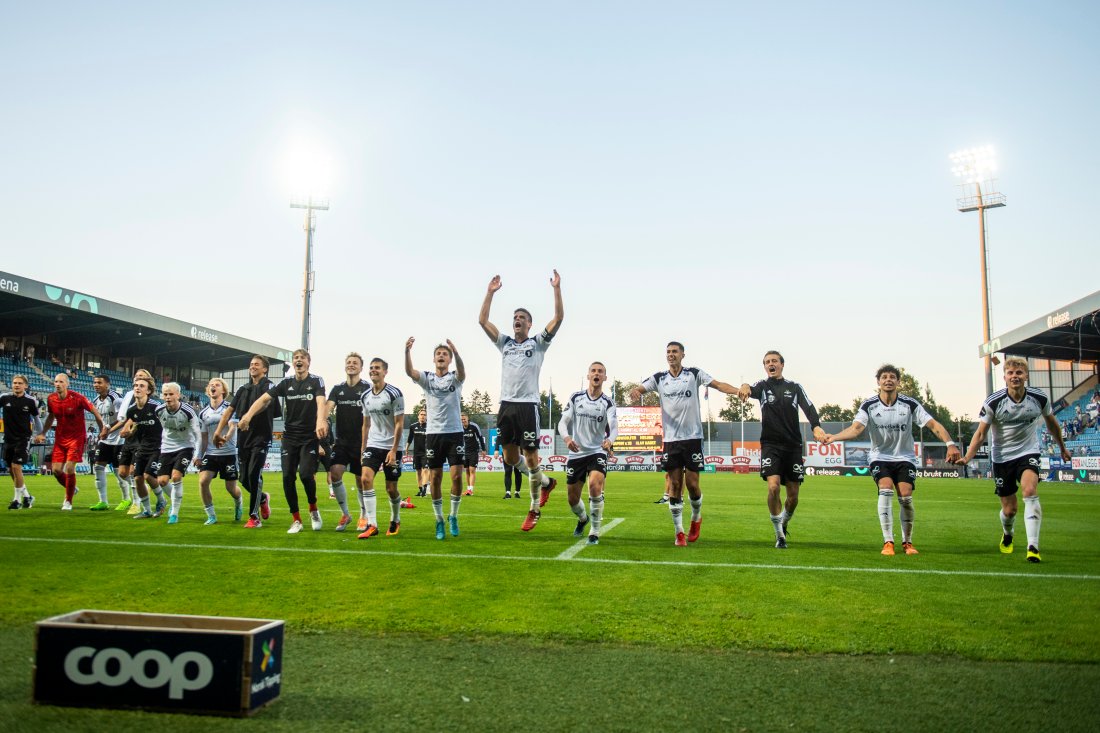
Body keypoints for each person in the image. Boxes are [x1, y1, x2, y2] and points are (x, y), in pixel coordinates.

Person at [823, 364, 961, 555]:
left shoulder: (909, 404)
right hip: (880, 456)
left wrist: (950, 443)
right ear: (878, 382)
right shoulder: (869, 405)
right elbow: (856, 428)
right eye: (884, 377)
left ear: (898, 381)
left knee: (905, 495)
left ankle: (908, 542)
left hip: (905, 457)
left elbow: (932, 424)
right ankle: (888, 541)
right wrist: (833, 437)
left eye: (892, 377)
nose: (888, 380)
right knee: (885, 488)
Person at [957, 358, 1070, 563]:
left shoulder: (1039, 398)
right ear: (1005, 378)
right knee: (1010, 510)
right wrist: (967, 457)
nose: (1015, 376)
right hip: (1002, 457)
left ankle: (1033, 546)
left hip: (1028, 452)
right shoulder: (994, 401)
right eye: (1011, 373)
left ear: (1026, 376)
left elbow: (1052, 425)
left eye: (1019, 372)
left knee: (1029, 490)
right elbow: (981, 433)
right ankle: (1008, 533)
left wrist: (1062, 448)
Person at [630, 342, 740, 545]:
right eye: (668, 352)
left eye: (675, 352)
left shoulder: (693, 374)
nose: (671, 355)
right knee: (675, 484)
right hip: (671, 440)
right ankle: (679, 532)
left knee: (692, 485)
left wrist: (737, 391)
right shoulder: (659, 378)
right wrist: (636, 391)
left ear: (682, 355)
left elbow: (718, 385)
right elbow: (640, 388)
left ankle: (696, 518)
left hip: (692, 438)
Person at [478, 270, 563, 532]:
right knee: (510, 458)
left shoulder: (537, 343)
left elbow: (559, 318)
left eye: (522, 318)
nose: (517, 320)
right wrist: (490, 292)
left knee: (532, 457)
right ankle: (547, 482)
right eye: (515, 318)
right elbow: (482, 321)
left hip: (527, 406)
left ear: (529, 323)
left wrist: (556, 289)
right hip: (506, 406)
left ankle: (534, 508)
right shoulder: (504, 343)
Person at [738, 351, 826, 548]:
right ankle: (780, 536)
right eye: (767, 362)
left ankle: (784, 521)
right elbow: (750, 389)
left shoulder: (794, 387)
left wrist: (816, 426)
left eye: (774, 361)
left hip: (793, 446)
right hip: (770, 445)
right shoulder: (762, 387)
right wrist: (744, 386)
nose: (771, 364)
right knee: (773, 487)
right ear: (765, 367)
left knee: (793, 497)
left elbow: (809, 407)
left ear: (782, 365)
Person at [238, 349, 327, 534]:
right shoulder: (286, 383)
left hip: (309, 436)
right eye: (296, 358)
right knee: (287, 477)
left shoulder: (316, 380)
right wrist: (247, 415)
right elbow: (263, 400)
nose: (298, 360)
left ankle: (313, 509)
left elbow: (320, 402)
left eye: (302, 358)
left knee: (305, 475)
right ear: (293, 363)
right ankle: (296, 520)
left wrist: (320, 420)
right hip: (290, 437)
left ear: (308, 362)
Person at [405, 337, 466, 540]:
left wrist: (457, 353)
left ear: (449, 359)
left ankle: (453, 516)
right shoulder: (427, 378)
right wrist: (407, 352)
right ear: (434, 359)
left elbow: (463, 372)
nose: (441, 356)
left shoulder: (456, 378)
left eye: (445, 354)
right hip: (434, 435)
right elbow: (409, 372)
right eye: (438, 354)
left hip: (455, 432)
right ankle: (439, 520)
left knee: (457, 477)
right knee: (435, 478)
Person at [214, 355, 278, 529]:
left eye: (257, 364)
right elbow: (229, 411)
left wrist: (248, 417)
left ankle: (254, 517)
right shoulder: (243, 389)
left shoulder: (269, 386)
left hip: (261, 437)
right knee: (243, 479)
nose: (253, 366)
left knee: (254, 475)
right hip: (243, 439)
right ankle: (263, 498)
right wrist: (218, 432)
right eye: (251, 364)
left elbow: (265, 404)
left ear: (265, 369)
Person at [558, 362, 618, 545]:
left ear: (605, 378)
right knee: (572, 499)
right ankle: (583, 518)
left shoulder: (608, 402)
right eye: (593, 371)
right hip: (577, 453)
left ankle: (595, 531)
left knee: (594, 486)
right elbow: (563, 422)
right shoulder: (576, 398)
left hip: (597, 452)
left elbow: (614, 427)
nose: (596, 374)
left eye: (600, 371)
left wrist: (610, 441)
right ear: (588, 376)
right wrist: (567, 439)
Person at [35, 373, 105, 510]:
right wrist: (43, 433)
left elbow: (95, 412)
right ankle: (71, 488)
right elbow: (50, 416)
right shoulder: (51, 399)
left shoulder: (78, 398)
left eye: (61, 381)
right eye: (56, 381)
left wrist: (102, 428)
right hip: (60, 439)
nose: (58, 384)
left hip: (77, 438)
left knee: (69, 467)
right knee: (55, 470)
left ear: (67, 384)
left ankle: (68, 501)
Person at [357, 357, 406, 538]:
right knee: (365, 479)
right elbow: (366, 424)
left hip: (393, 446)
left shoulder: (394, 393)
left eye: (377, 368)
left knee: (391, 489)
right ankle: (372, 524)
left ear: (385, 371)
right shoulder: (365, 396)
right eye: (371, 368)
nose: (373, 370)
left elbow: (400, 424)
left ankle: (395, 519)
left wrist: (394, 450)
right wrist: (363, 448)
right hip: (374, 444)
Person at [325, 353, 369, 532]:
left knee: (361, 480)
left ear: (361, 367)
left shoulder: (367, 387)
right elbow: (328, 407)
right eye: (349, 362)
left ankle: (363, 515)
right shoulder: (337, 389)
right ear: (345, 366)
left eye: (355, 363)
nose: (351, 365)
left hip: (361, 442)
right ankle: (345, 514)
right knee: (335, 473)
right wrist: (322, 420)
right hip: (341, 441)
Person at [152, 382, 202, 524]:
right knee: (161, 481)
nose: (167, 397)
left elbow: (197, 434)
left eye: (171, 394)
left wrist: (197, 454)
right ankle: (173, 501)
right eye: (165, 394)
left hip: (185, 447)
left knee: (175, 477)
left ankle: (174, 513)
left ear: (178, 395)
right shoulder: (159, 410)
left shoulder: (188, 411)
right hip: (167, 448)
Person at [197, 378, 243, 525]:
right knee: (203, 481)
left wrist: (225, 438)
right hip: (211, 454)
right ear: (207, 390)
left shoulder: (230, 408)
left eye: (217, 385)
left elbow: (232, 427)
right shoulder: (203, 413)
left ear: (223, 390)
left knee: (231, 488)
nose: (213, 387)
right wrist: (198, 455)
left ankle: (238, 501)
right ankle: (211, 515)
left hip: (228, 454)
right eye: (211, 385)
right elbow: (204, 437)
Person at [119, 375, 166, 518]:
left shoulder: (156, 408)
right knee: (137, 478)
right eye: (135, 386)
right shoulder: (132, 410)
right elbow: (135, 426)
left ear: (149, 391)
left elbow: (166, 426)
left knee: (148, 476)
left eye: (141, 386)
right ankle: (146, 510)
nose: (137, 388)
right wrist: (129, 431)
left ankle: (161, 501)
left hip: (158, 447)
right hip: (142, 447)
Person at [112, 368, 155, 514]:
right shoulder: (129, 396)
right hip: (128, 440)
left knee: (133, 473)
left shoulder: (150, 403)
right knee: (122, 473)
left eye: (141, 377)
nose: (138, 380)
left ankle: (137, 503)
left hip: (140, 440)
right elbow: (128, 417)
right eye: (136, 377)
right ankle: (140, 491)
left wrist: (130, 429)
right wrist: (121, 428)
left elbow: (140, 419)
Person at [2, 375, 43, 510]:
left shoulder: (31, 401)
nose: (16, 385)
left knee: (16, 466)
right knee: (11, 469)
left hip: (23, 439)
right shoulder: (4, 398)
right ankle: (27, 496)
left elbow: (37, 419)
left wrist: (40, 434)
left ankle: (17, 500)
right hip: (8, 439)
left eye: (20, 383)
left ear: (25, 385)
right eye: (14, 383)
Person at [89, 374, 129, 511]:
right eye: (94, 382)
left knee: (119, 471)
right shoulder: (95, 400)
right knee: (98, 467)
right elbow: (100, 420)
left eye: (99, 382)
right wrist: (102, 432)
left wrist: (107, 430)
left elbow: (122, 419)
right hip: (106, 439)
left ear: (107, 384)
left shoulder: (116, 399)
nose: (96, 385)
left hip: (119, 440)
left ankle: (126, 499)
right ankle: (103, 501)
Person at [461, 413, 487, 495]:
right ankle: (468, 489)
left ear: (467, 419)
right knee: (467, 470)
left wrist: (483, 449)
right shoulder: (459, 427)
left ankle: (471, 490)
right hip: (464, 452)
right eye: (461, 420)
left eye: (464, 419)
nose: (463, 421)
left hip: (474, 451)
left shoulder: (474, 426)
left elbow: (480, 437)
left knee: (472, 470)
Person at [405, 410, 429, 497]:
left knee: (425, 470)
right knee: (418, 471)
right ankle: (420, 490)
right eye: (421, 414)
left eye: (424, 415)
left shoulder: (430, 426)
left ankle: (425, 490)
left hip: (426, 452)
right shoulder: (413, 426)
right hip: (417, 452)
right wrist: (406, 448)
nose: (423, 416)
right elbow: (410, 438)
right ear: (418, 416)